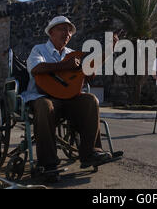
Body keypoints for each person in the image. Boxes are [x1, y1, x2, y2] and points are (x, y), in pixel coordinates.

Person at [21, 16, 119, 181]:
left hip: (68, 99)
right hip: (42, 97)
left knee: (90, 101)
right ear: (51, 32)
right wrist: (64, 66)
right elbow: (36, 68)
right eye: (62, 29)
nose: (67, 34)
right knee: (45, 106)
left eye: (69, 31)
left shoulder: (73, 54)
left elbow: (86, 69)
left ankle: (90, 153)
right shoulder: (39, 50)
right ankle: (48, 164)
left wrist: (107, 52)